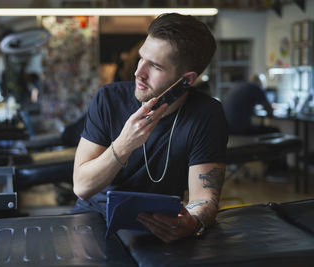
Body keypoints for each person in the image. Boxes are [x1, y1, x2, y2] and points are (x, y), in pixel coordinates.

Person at [72, 13, 228, 243]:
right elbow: (82, 187)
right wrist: (125, 144)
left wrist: (192, 222)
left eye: (154, 66)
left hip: (158, 227)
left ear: (187, 79)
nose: (139, 72)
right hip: (93, 219)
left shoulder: (206, 114)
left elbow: (204, 198)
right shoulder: (108, 99)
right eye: (141, 58)